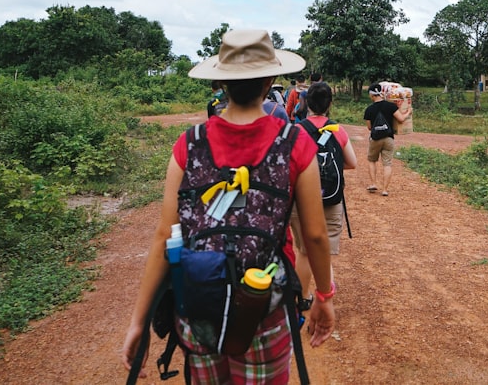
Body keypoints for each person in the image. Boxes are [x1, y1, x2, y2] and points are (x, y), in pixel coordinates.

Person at [122, 30, 336, 383]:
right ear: (270, 79)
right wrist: (324, 296)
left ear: (221, 80)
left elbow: (165, 234)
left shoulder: (189, 143)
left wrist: (139, 322)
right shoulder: (294, 143)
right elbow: (313, 235)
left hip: (198, 304)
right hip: (263, 305)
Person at [289, 81, 357, 306]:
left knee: (304, 251)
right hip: (330, 199)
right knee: (323, 251)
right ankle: (324, 298)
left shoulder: (296, 131)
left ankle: (303, 298)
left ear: (306, 103)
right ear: (330, 103)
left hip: (301, 201)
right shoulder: (337, 130)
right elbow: (351, 163)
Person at [363, 82, 410, 197]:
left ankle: (373, 183)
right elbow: (401, 119)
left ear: (372, 95)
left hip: (375, 139)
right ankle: (385, 190)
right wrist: (409, 112)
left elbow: (369, 127)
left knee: (372, 160)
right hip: (389, 138)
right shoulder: (391, 106)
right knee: (387, 164)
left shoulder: (369, 109)